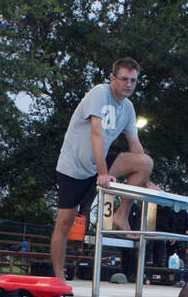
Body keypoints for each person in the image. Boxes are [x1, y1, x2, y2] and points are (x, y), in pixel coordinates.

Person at [49, 58, 154, 279]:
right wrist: (103, 172)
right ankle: (59, 276)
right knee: (64, 223)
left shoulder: (128, 107)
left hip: (100, 164)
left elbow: (135, 145)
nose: (128, 84)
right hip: (74, 169)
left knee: (145, 162)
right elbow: (96, 133)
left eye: (133, 80)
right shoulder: (99, 94)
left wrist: (146, 182)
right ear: (113, 78)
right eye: (124, 79)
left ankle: (121, 216)